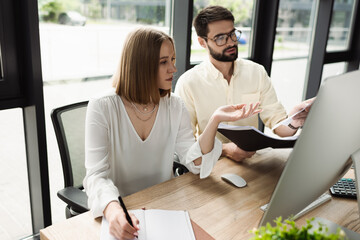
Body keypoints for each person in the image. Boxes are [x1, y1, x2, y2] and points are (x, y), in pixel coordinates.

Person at [83, 27, 261, 240]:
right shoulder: (102, 106)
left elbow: (194, 163)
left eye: (173, 59)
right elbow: (95, 176)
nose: (174, 69)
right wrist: (113, 212)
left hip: (165, 205)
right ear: (141, 65)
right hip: (121, 208)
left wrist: (215, 120)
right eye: (163, 62)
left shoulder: (175, 105)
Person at [175, 5, 314, 163]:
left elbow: (280, 128)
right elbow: (185, 144)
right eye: (221, 38)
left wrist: (295, 119)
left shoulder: (256, 72)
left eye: (232, 34)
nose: (231, 43)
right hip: (209, 166)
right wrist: (226, 150)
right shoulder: (188, 83)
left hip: (252, 163)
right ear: (202, 42)